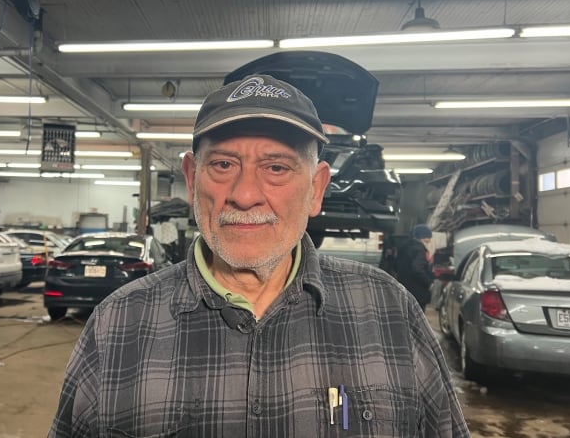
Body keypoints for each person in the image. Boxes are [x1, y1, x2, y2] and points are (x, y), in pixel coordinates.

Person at [48, 74, 469, 437]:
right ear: (193, 179)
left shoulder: (389, 311)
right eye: (224, 165)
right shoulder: (117, 324)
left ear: (317, 188)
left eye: (276, 167)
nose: (246, 195)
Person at [395, 224, 436, 311]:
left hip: (403, 290)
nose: (429, 242)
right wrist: (429, 283)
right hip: (418, 294)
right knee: (417, 321)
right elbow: (417, 269)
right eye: (428, 240)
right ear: (423, 238)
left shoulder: (403, 248)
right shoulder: (419, 249)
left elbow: (395, 267)